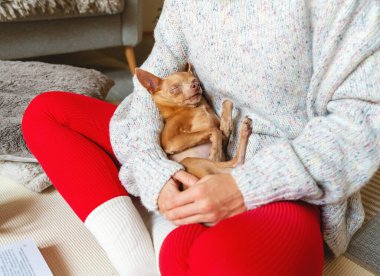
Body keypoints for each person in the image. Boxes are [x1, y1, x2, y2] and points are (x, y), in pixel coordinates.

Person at [22, 0, 380, 275]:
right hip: (180, 136)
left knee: (214, 262)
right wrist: (151, 168)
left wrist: (247, 187)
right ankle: (142, 261)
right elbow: (158, 73)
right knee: (46, 112)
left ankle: (174, 220)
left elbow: (362, 119)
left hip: (281, 171)